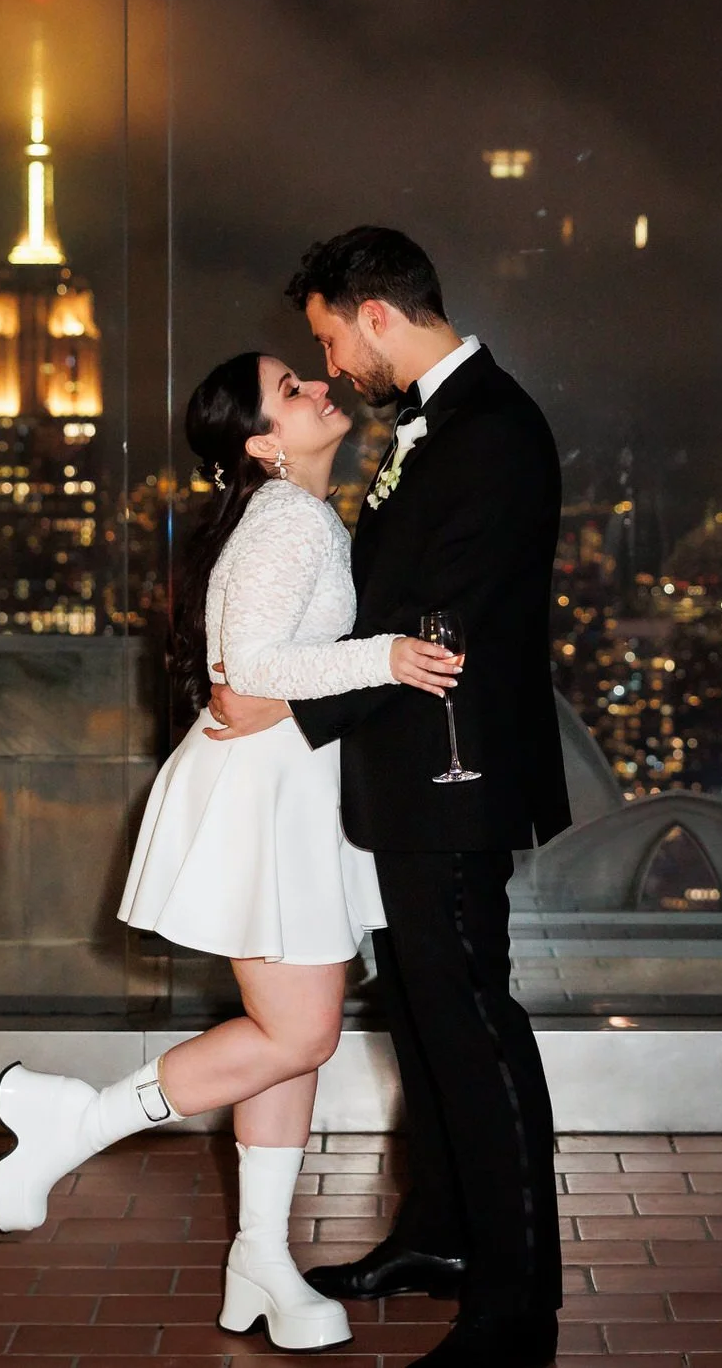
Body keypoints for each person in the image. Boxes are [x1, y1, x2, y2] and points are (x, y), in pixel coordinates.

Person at [0, 349, 462, 1353]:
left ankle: (261, 1257)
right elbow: (245, 670)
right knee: (299, 1034)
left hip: (281, 791)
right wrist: (384, 656)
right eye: (292, 390)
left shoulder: (295, 513)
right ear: (259, 439)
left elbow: (247, 680)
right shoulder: (288, 516)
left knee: (286, 1032)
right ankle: (77, 1123)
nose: (317, 390)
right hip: (265, 798)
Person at [209, 226, 571, 1368]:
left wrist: (287, 705)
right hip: (409, 780)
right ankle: (441, 1236)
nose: (329, 362)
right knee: (423, 1017)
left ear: (375, 314)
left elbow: (438, 626)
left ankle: (515, 1307)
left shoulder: (492, 432)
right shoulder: (438, 426)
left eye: (325, 336)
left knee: (474, 1023)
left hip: (452, 775)